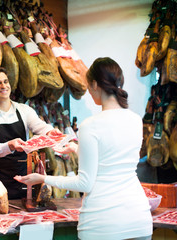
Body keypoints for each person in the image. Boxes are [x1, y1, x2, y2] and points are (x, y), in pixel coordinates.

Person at [14, 57, 153, 240]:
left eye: (88, 85)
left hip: (102, 223)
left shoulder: (91, 125)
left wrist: (42, 178)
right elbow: (112, 160)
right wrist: (75, 148)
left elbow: (84, 183)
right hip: (139, 219)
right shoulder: (135, 119)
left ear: (95, 84)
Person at [0, 65, 61, 200]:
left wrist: (50, 131)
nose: (3, 86)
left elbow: (39, 126)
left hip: (25, 182)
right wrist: (9, 145)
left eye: (5, 81)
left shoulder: (24, 110)